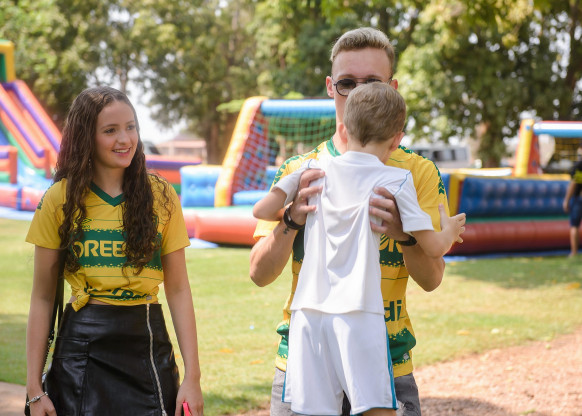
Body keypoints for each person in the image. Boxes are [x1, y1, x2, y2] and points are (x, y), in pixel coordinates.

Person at [250, 27, 451, 416]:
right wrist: (292, 219)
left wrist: (405, 234)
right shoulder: (301, 169)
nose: (358, 93)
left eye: (371, 82)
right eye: (347, 83)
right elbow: (259, 273)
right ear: (330, 87)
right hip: (305, 357)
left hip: (387, 360)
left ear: (392, 89)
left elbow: (432, 279)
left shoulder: (417, 172)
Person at [25, 86, 204, 416]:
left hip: (147, 344)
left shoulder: (162, 196)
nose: (125, 139)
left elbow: (178, 289)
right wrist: (34, 390)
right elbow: (42, 297)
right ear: (86, 138)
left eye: (130, 127)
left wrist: (192, 376)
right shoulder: (58, 199)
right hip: (80, 350)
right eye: (110, 130)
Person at [563, 144, 582, 258]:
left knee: (574, 225)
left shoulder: (579, 166)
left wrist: (566, 200)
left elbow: (574, 184)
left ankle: (574, 252)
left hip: (579, 198)